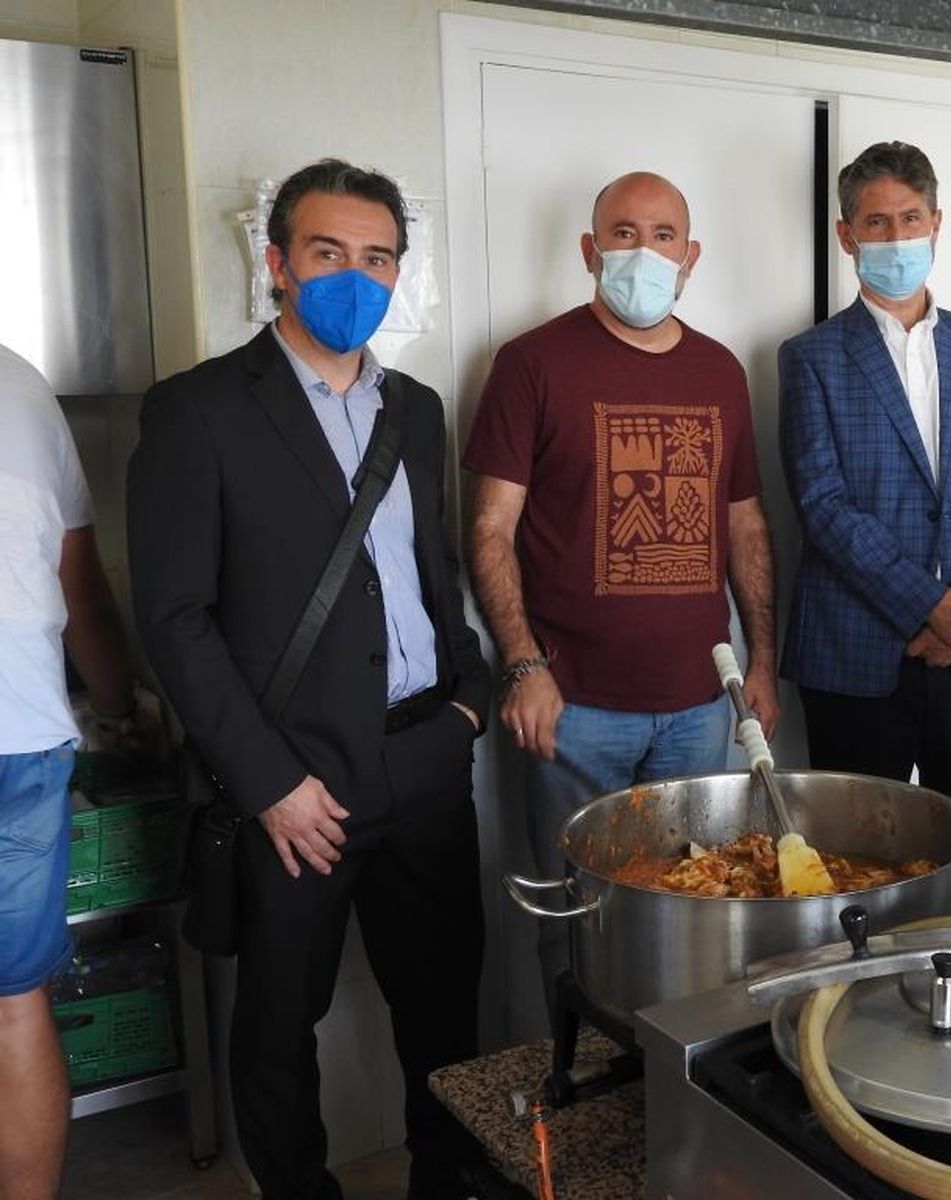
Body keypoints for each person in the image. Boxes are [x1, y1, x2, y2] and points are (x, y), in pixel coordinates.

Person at [127, 160, 499, 1200]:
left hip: (426, 756)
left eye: (376, 258)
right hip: (294, 782)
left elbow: (434, 576)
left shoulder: (416, 411)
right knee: (280, 1028)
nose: (354, 276)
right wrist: (268, 784)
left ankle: (448, 1181)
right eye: (329, 253)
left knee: (442, 1012)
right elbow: (173, 620)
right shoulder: (196, 412)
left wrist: (469, 705)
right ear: (277, 262)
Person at [463, 171, 779, 1007]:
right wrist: (523, 666)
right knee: (575, 915)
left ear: (692, 255)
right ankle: (576, 1092)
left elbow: (745, 527)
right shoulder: (532, 363)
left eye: (664, 235)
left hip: (701, 710)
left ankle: (664, 1088)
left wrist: (764, 666)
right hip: (575, 713)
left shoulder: (718, 371)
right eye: (625, 233)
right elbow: (490, 530)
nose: (644, 251)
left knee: (696, 902)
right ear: (589, 249)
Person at [777, 141, 951, 814]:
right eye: (876, 223)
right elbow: (822, 504)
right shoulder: (810, 358)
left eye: (910, 218)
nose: (895, 236)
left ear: (936, 224)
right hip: (853, 655)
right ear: (847, 236)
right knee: (858, 863)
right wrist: (929, 605)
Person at [1, 342, 138, 1200]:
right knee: (14, 1007)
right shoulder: (18, 381)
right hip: (21, 739)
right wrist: (120, 710)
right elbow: (81, 589)